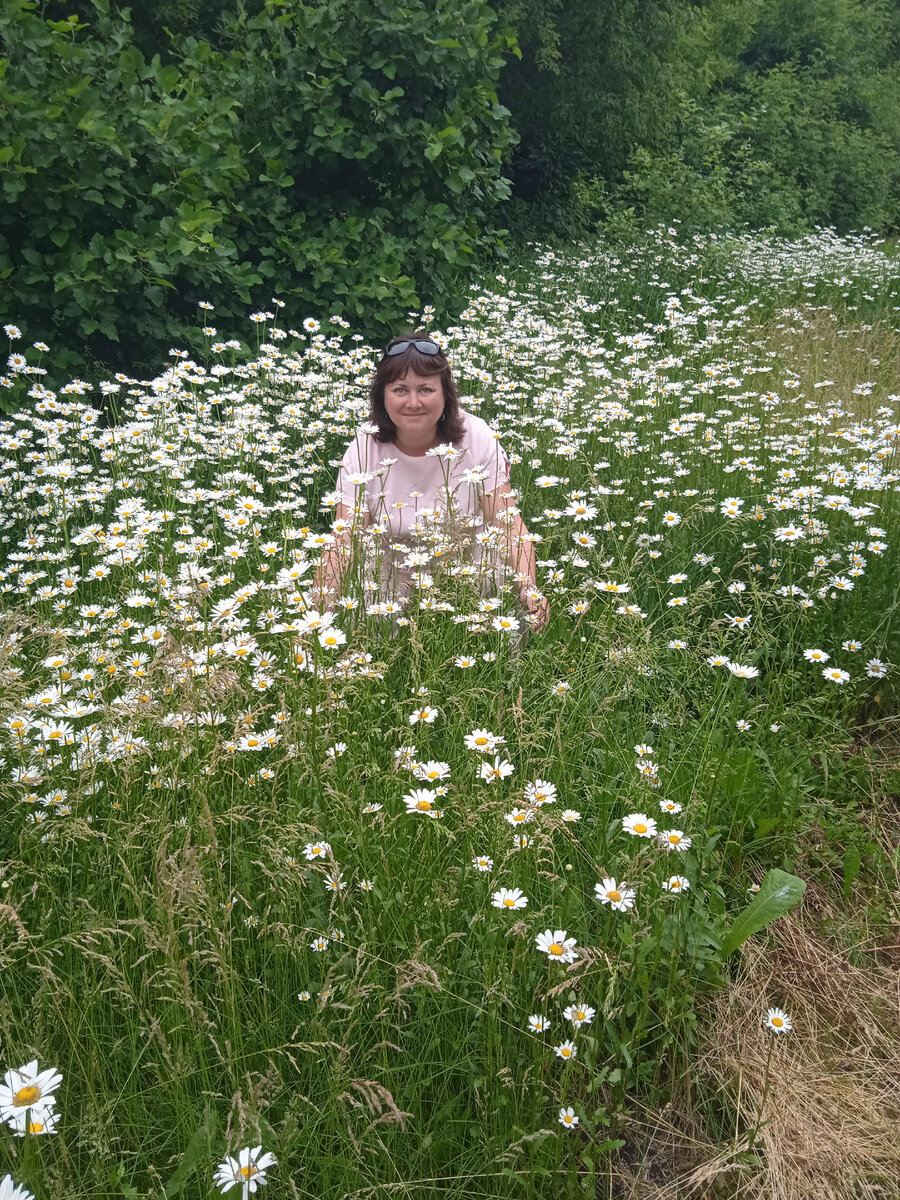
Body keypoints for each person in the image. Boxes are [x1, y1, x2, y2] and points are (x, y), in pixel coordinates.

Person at [311, 333, 550, 630]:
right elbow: (344, 539)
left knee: (498, 594)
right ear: (382, 396)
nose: (413, 402)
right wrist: (316, 618)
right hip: (392, 567)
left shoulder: (476, 438)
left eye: (425, 389)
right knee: (368, 610)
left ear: (445, 394)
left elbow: (507, 524)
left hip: (465, 564)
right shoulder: (364, 448)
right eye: (400, 389)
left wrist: (529, 586)